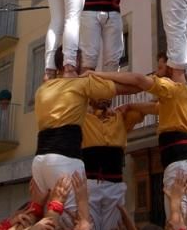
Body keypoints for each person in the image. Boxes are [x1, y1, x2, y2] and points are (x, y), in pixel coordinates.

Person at [87, 51, 187, 222]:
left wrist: (97, 74)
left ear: (171, 68)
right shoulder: (180, 97)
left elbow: (138, 80)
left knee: (178, 223)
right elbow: (153, 108)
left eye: (160, 68)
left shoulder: (171, 89)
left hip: (181, 164)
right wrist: (130, 105)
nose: (157, 73)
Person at [33, 47, 136, 216]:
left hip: (40, 162)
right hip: (65, 161)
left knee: (50, 223)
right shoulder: (81, 84)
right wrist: (98, 75)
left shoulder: (42, 90)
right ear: (74, 63)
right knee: (74, 225)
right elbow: (133, 85)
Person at [82, 98, 157, 230]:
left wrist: (130, 105)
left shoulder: (121, 118)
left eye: (107, 97)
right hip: (90, 186)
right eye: (100, 96)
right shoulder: (83, 119)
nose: (104, 100)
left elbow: (150, 106)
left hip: (114, 186)